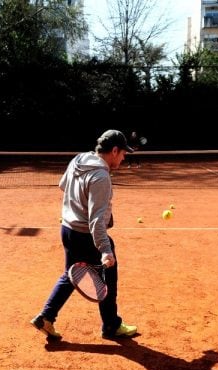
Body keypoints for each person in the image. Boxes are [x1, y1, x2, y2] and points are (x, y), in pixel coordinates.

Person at [31, 129, 139, 342]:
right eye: (123, 153)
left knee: (71, 274)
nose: (124, 157)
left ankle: (46, 317)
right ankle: (111, 326)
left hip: (68, 229)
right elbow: (96, 221)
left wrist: (76, 205)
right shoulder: (101, 176)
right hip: (86, 234)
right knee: (108, 275)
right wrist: (105, 250)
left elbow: (63, 185)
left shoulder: (79, 159)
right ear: (114, 150)